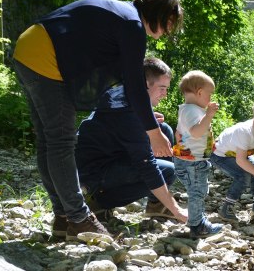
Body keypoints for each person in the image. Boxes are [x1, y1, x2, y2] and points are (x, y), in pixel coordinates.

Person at [12, 0, 183, 240]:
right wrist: (153, 132)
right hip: (46, 59)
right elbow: (135, 86)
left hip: (28, 47)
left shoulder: (120, 13)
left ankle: (63, 217)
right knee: (60, 141)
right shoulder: (132, 24)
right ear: (159, 14)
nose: (169, 30)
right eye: (170, 23)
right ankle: (79, 219)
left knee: (49, 141)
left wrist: (148, 123)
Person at [73, 56, 187, 228]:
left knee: (164, 130)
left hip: (111, 157)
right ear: (146, 84)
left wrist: (147, 122)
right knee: (168, 171)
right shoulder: (125, 111)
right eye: (162, 88)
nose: (165, 94)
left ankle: (157, 204)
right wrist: (178, 210)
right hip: (93, 174)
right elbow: (147, 166)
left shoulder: (125, 94)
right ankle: (96, 201)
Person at [173, 70, 224, 238]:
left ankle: (198, 220)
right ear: (200, 92)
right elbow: (196, 132)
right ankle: (197, 225)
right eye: (209, 94)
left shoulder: (187, 110)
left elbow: (181, 134)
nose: (210, 98)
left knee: (197, 191)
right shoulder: (192, 111)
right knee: (198, 192)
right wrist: (209, 115)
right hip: (192, 162)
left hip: (189, 159)